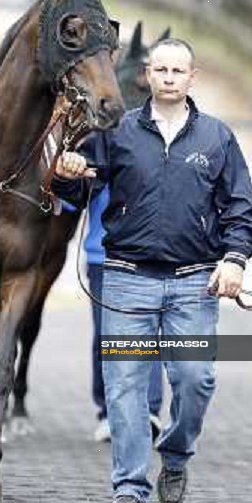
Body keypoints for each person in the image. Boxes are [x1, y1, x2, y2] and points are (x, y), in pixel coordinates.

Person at [52, 38, 252, 503]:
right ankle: (129, 486)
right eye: (159, 69)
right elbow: (78, 193)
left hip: (193, 284)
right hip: (126, 281)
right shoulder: (117, 131)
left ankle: (177, 453)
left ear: (192, 77)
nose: (168, 77)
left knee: (195, 379)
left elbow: (239, 208)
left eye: (177, 70)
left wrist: (234, 260)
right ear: (146, 74)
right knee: (124, 385)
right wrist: (68, 172)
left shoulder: (217, 137)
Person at [85, 184, 164, 444]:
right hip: (103, 258)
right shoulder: (96, 147)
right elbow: (69, 198)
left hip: (148, 257)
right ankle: (107, 412)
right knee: (106, 338)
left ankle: (148, 411)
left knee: (146, 336)